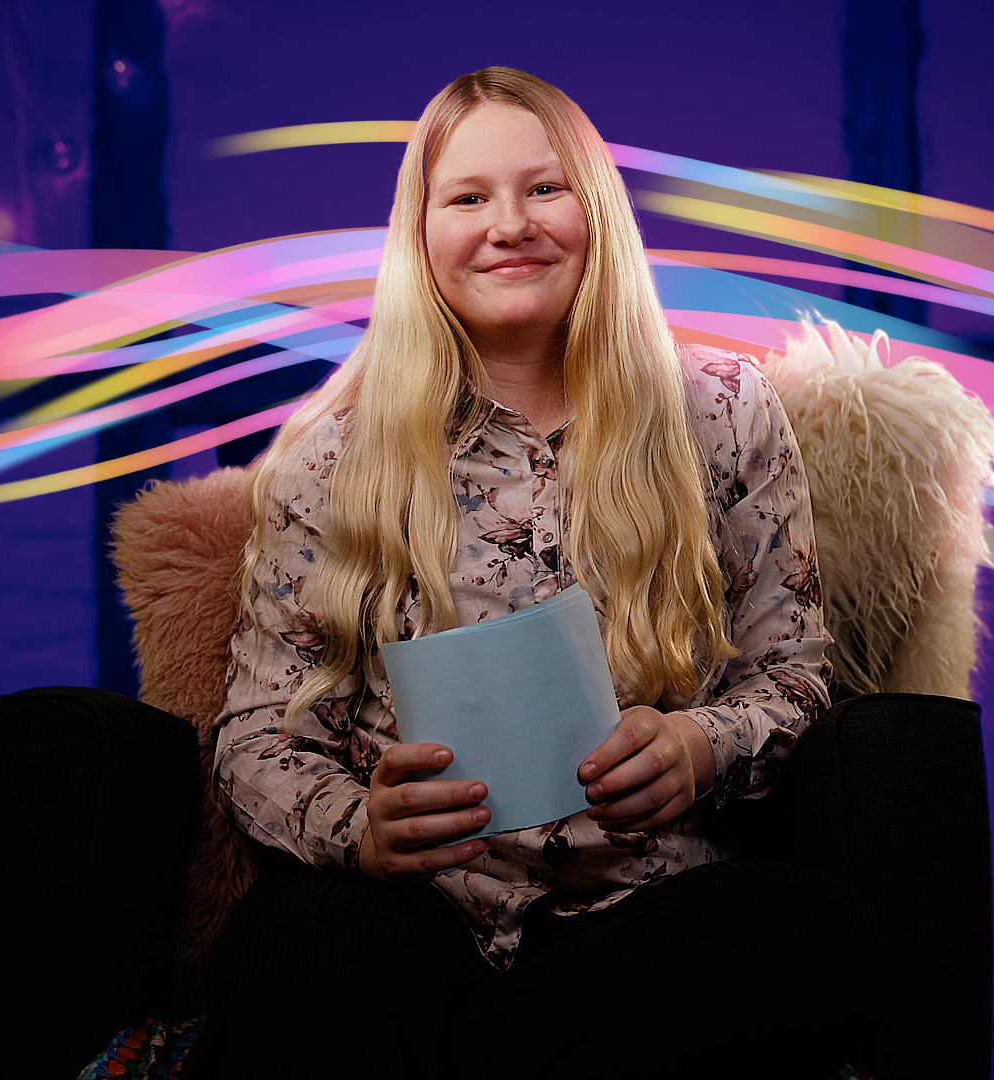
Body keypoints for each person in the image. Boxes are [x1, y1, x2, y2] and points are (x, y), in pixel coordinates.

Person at [186, 67, 876, 1079]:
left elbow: (797, 676)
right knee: (288, 951)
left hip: (654, 915)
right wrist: (362, 828)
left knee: (819, 929)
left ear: (595, 211)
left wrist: (700, 744)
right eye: (468, 198)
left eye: (544, 189)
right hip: (418, 913)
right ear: (421, 236)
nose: (509, 225)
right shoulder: (331, 454)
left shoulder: (725, 409)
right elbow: (255, 736)